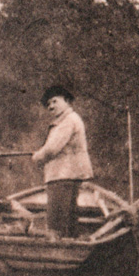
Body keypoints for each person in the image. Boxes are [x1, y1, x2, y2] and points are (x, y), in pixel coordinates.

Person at [32, 85, 94, 239]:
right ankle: (69, 249)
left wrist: (37, 156)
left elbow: (52, 149)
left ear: (66, 101)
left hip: (62, 176)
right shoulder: (69, 119)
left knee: (56, 224)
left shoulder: (67, 120)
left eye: (54, 101)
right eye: (48, 104)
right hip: (68, 176)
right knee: (68, 220)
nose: (51, 106)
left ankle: (60, 253)